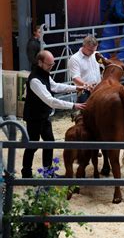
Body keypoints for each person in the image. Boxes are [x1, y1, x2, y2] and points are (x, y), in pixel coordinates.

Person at [21, 50, 86, 178]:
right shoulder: (34, 80)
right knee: (33, 145)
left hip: (44, 116)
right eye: (49, 65)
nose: (51, 67)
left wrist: (76, 87)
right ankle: (26, 173)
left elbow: (55, 86)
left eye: (53, 64)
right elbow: (50, 101)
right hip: (34, 117)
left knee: (49, 142)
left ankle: (48, 172)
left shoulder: (45, 73)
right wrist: (73, 105)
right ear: (40, 62)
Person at [67, 35, 101, 103]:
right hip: (84, 90)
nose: (92, 52)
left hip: (98, 88)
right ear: (84, 46)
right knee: (84, 109)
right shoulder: (74, 59)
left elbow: (105, 65)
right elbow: (75, 78)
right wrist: (88, 86)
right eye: (90, 50)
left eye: (94, 50)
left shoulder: (96, 54)